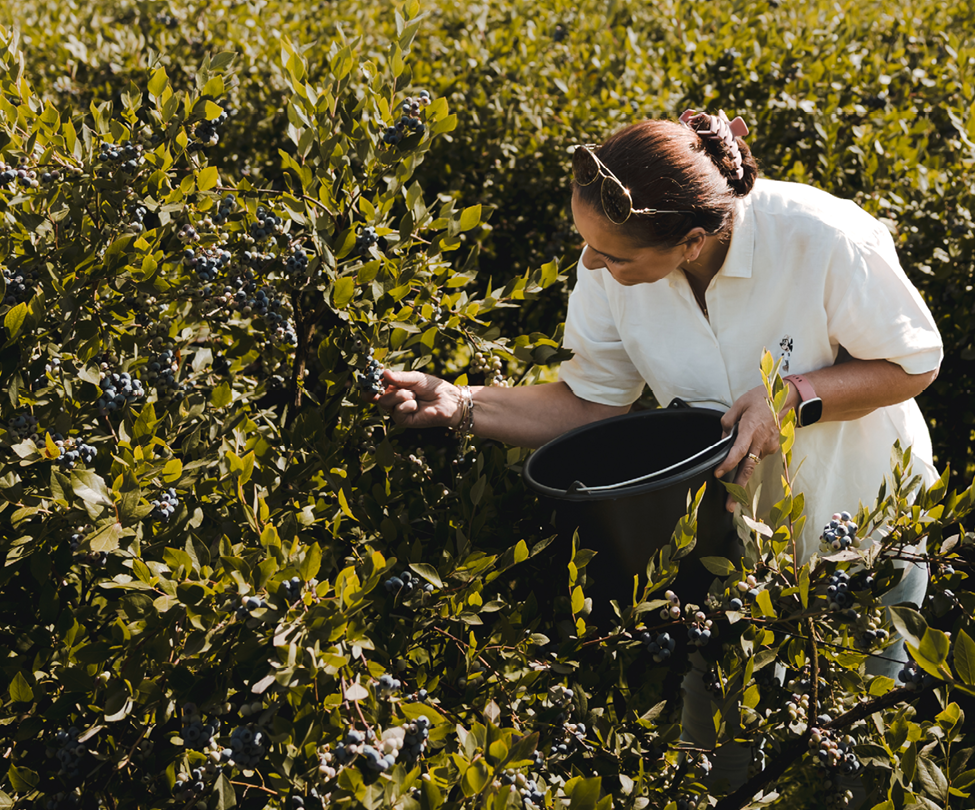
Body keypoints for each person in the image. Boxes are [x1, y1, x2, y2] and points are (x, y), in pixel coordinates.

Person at [374, 111, 945, 584]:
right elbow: (591, 404)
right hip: (725, 551)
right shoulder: (606, 268)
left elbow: (913, 363)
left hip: (859, 524)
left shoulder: (823, 238)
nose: (590, 263)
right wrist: (462, 402)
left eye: (614, 256)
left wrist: (793, 396)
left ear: (692, 242)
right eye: (588, 245)